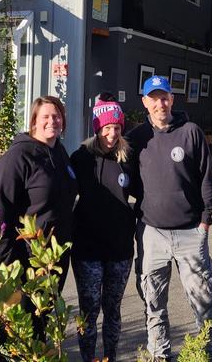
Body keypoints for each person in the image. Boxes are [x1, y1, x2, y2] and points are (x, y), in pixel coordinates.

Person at [127, 76, 212, 361]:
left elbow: (207, 177)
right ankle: (160, 354)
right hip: (151, 232)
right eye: (153, 98)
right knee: (153, 301)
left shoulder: (191, 132)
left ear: (172, 99)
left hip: (189, 232)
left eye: (164, 97)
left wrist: (205, 220)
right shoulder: (136, 138)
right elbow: (129, 180)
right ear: (145, 102)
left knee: (203, 299)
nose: (160, 103)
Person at [0, 95, 77, 335]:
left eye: (57, 116)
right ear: (34, 121)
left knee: (42, 323)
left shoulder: (59, 152)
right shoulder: (18, 157)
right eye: (45, 116)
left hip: (53, 259)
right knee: (18, 329)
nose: (52, 121)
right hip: (24, 260)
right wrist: (4, 261)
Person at [69, 93, 136, 362]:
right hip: (87, 249)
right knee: (89, 310)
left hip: (120, 249)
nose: (112, 133)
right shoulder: (81, 157)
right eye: (107, 128)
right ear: (97, 128)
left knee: (113, 309)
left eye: (117, 128)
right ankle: (87, 358)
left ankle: (110, 357)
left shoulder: (129, 159)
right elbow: (61, 191)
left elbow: (144, 192)